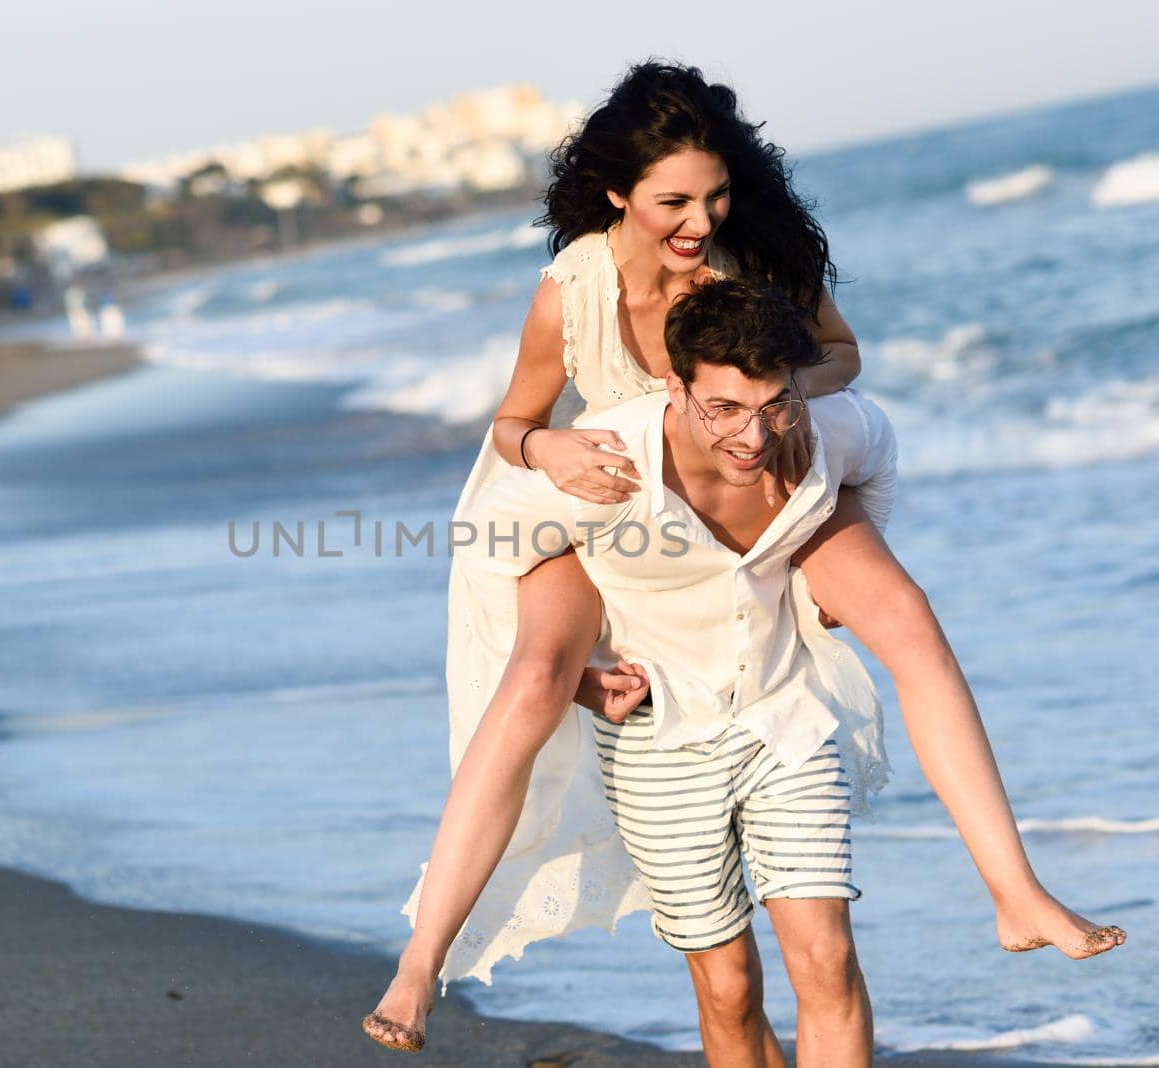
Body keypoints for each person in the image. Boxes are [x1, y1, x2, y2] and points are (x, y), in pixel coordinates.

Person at [443, 279, 1126, 1065]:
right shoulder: (612, 459)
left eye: (774, 404)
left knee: (828, 961)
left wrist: (831, 572)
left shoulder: (829, 429)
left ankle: (1018, 894)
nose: (754, 433)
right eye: (726, 408)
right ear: (678, 387)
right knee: (728, 990)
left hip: (784, 716)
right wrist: (581, 671)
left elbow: (878, 461)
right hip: (663, 740)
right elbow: (491, 551)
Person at [365, 61, 861, 1054]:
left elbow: (844, 357)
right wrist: (545, 444)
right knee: (536, 675)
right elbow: (515, 420)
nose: (698, 217)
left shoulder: (754, 265)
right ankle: (419, 966)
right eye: (674, 200)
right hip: (590, 499)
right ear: (615, 194)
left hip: (702, 502)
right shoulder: (573, 289)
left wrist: (784, 392)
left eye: (714, 193)